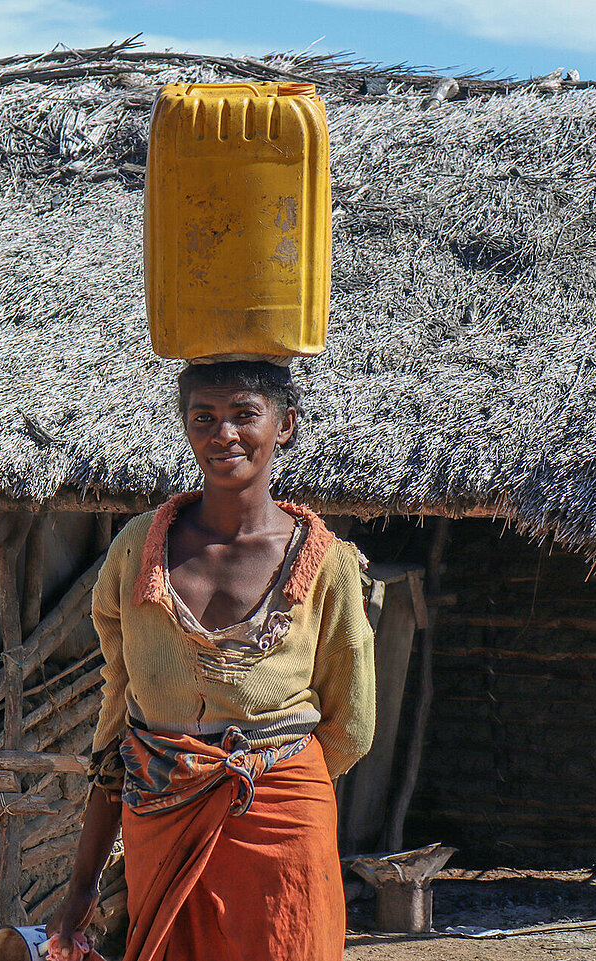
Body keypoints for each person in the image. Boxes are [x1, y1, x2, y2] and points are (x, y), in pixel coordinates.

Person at [46, 360, 376, 961]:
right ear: (187, 428)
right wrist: (81, 886)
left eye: (245, 415)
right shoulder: (137, 552)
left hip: (282, 823)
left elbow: (348, 724)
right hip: (160, 813)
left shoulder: (325, 565)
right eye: (205, 418)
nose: (224, 434)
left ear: (286, 426)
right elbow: (118, 717)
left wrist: (263, 770)